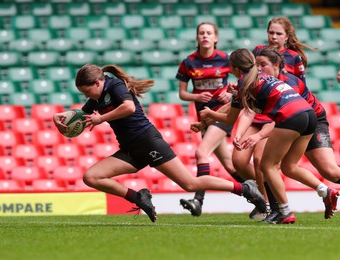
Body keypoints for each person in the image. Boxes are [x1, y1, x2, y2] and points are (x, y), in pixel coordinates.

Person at [53, 64, 266, 223]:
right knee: (91, 177)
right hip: (130, 150)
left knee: (190, 184)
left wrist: (101, 119)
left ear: (98, 83)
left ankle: (245, 189)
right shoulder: (97, 98)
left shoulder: (114, 85)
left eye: (86, 91)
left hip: (147, 141)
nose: (85, 95)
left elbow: (128, 107)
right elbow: (81, 116)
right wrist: (58, 118)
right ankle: (139, 197)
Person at [198, 48, 338, 224]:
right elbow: (246, 111)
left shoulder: (244, 83)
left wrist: (210, 113)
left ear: (234, 68)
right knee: (289, 167)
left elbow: (230, 118)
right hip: (309, 115)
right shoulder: (262, 77)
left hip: (291, 116)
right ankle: (326, 191)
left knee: (267, 165)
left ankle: (284, 212)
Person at [253, 47, 340, 221]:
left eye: (263, 65)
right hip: (297, 122)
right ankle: (324, 193)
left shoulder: (289, 83)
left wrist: (259, 135)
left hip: (313, 120)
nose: (259, 69)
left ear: (277, 65)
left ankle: (281, 211)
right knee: (285, 167)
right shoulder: (265, 83)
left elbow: (289, 115)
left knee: (331, 172)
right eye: (257, 65)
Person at [175, 22, 246, 217]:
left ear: (216, 37)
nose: (205, 36)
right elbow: (182, 94)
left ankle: (198, 200)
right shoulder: (188, 62)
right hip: (204, 117)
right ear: (197, 38)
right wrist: (196, 97)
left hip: (223, 114)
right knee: (230, 166)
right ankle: (260, 196)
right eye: (201, 33)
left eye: (209, 33)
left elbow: (241, 83)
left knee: (201, 153)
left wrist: (229, 94)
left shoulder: (226, 59)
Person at [253, 16, 317, 85]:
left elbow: (301, 85)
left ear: (287, 36)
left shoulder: (294, 56)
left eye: (279, 34)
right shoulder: (258, 50)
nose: (274, 37)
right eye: (271, 33)